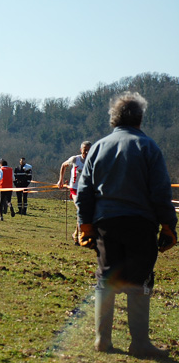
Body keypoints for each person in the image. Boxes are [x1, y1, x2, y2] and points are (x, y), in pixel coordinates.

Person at [76, 92, 177, 357]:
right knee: (140, 280)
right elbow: (160, 192)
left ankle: (101, 340)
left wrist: (84, 226)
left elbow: (84, 191)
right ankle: (140, 343)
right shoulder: (149, 147)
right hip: (141, 224)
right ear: (140, 119)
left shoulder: (98, 147)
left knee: (106, 277)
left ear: (114, 119)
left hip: (105, 224)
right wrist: (168, 226)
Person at [57, 141, 91, 245]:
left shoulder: (92, 161)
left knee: (84, 212)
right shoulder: (75, 159)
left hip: (85, 189)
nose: (87, 152)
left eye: (89, 150)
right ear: (81, 150)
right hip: (74, 189)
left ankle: (75, 235)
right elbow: (63, 165)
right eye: (85, 150)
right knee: (81, 209)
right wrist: (61, 180)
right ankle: (81, 235)